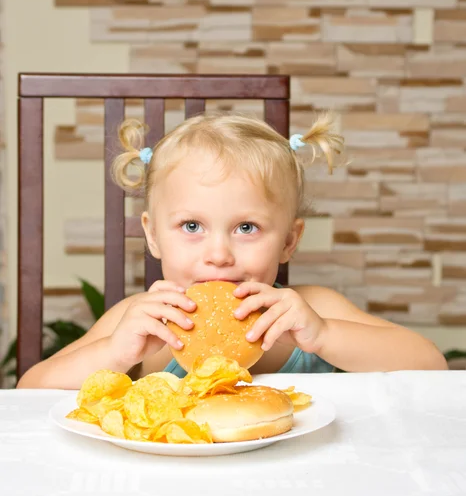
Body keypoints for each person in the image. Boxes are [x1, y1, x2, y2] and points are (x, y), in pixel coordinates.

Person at [18, 112, 447, 388]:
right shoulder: (142, 321)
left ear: (289, 240)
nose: (219, 254)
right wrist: (114, 353)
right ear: (152, 235)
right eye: (191, 226)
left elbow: (431, 366)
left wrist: (325, 335)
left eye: (246, 227)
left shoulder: (315, 309)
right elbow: (30, 392)